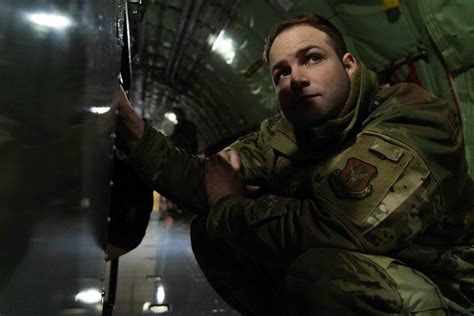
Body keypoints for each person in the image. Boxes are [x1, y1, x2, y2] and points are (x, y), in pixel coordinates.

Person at [114, 14, 473, 315]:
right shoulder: (288, 132)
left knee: (324, 274)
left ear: (349, 66)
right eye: (281, 73)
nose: (296, 79)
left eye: (312, 58)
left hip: (444, 291)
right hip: (383, 277)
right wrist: (130, 123)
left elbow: (339, 226)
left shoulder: (413, 116)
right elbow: (204, 179)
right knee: (211, 235)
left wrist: (231, 206)